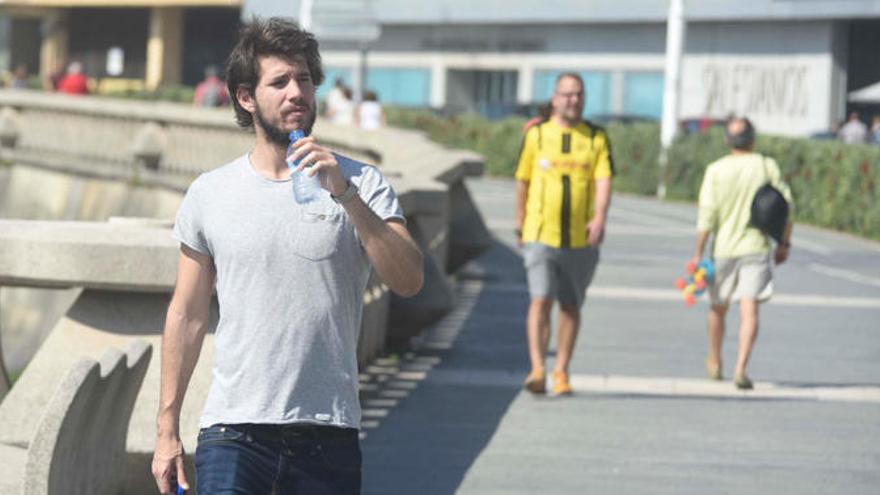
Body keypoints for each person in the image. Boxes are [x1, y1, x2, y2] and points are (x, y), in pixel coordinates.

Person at [151, 17, 423, 494]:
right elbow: (187, 315)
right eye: (279, 81)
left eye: (304, 79)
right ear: (246, 97)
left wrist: (345, 194)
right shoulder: (210, 193)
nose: (296, 91)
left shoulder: (363, 182)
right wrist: (166, 430)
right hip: (233, 431)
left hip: (328, 431)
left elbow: (409, 279)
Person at [514, 72, 613, 396]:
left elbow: (603, 180)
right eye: (567, 94)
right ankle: (537, 367)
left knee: (570, 305)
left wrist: (600, 217)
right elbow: (523, 180)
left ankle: (562, 370)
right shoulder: (537, 135)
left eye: (579, 94)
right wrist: (520, 222)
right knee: (540, 298)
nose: (574, 100)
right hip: (540, 233)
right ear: (555, 98)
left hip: (581, 239)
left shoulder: (596, 137)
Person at [691, 117, 793, 390]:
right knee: (750, 309)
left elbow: (707, 215)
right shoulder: (765, 165)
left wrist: (698, 252)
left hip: (723, 249)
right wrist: (784, 243)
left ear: (727, 140)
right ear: (753, 139)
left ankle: (714, 360)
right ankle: (741, 368)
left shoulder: (716, 170)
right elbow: (786, 207)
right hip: (756, 247)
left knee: (717, 308)